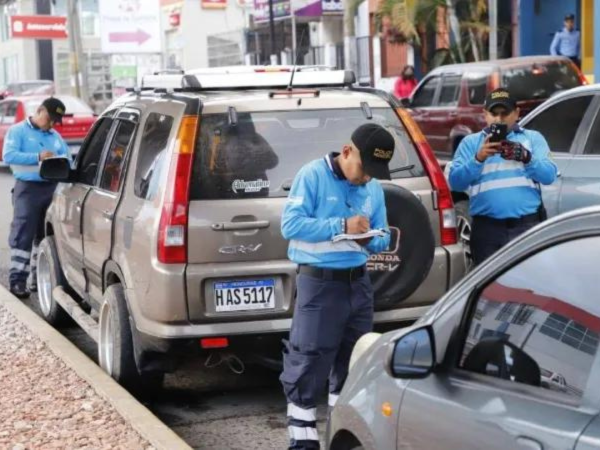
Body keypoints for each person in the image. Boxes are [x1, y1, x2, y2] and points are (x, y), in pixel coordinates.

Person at [279, 123, 394, 449]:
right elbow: (290, 224)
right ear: (347, 152)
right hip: (319, 284)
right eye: (364, 168)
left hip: (358, 285)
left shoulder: (373, 188)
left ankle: (342, 439)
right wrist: (342, 225)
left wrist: (373, 239)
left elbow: (384, 233)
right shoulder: (312, 175)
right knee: (308, 364)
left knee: (354, 364)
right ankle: (302, 444)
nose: (367, 177)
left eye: (374, 171)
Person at [448, 88, 557, 266]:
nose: (499, 119)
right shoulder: (471, 143)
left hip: (525, 227)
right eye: (494, 113)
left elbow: (549, 176)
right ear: (485, 114)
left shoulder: (532, 138)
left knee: (528, 284)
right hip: (487, 231)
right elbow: (456, 183)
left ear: (516, 113)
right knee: (490, 289)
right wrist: (478, 158)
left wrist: (526, 157)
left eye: (504, 113)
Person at [4, 97, 70, 298]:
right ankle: (17, 281)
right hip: (28, 189)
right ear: (40, 111)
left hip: (51, 188)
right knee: (23, 234)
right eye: (50, 119)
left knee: (44, 237)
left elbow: (68, 159)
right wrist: (38, 157)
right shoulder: (18, 131)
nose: (51, 124)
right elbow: (9, 156)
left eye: (55, 121)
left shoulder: (56, 137)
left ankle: (36, 279)